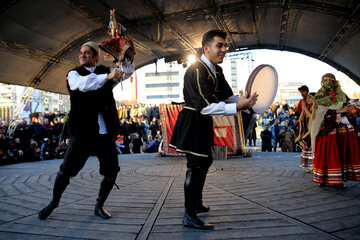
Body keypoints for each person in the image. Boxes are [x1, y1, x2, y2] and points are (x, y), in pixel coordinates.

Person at [169, 30, 258, 230]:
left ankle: (196, 203)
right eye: (219, 45)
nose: (224, 50)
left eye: (225, 46)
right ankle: (189, 215)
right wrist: (238, 107)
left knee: (204, 162)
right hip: (194, 121)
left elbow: (227, 97)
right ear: (206, 48)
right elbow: (205, 106)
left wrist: (244, 102)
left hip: (203, 122)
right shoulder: (197, 69)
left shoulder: (216, 70)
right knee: (196, 166)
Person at [38, 41, 134, 220]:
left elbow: (125, 73)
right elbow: (85, 85)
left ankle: (99, 205)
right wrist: (108, 76)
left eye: (87, 53)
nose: (82, 55)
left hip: (103, 133)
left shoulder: (105, 72)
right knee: (65, 171)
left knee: (111, 170)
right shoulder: (74, 74)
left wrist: (126, 58)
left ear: (96, 57)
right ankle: (54, 202)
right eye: (81, 52)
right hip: (82, 133)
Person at [311, 73, 360, 187]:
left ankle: (338, 179)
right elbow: (319, 114)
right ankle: (323, 178)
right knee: (326, 154)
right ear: (321, 82)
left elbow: (347, 106)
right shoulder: (319, 96)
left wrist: (350, 109)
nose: (328, 82)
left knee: (340, 153)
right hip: (326, 129)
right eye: (325, 80)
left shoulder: (341, 95)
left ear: (335, 81)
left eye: (330, 80)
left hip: (340, 126)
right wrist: (338, 111)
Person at [295, 93, 315, 172]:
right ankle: (310, 166)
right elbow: (301, 119)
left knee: (313, 149)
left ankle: (314, 166)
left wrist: (305, 109)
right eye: (307, 99)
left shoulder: (316, 107)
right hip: (308, 131)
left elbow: (312, 117)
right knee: (308, 148)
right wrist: (303, 110)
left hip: (314, 131)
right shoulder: (308, 107)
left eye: (309, 98)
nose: (307, 100)